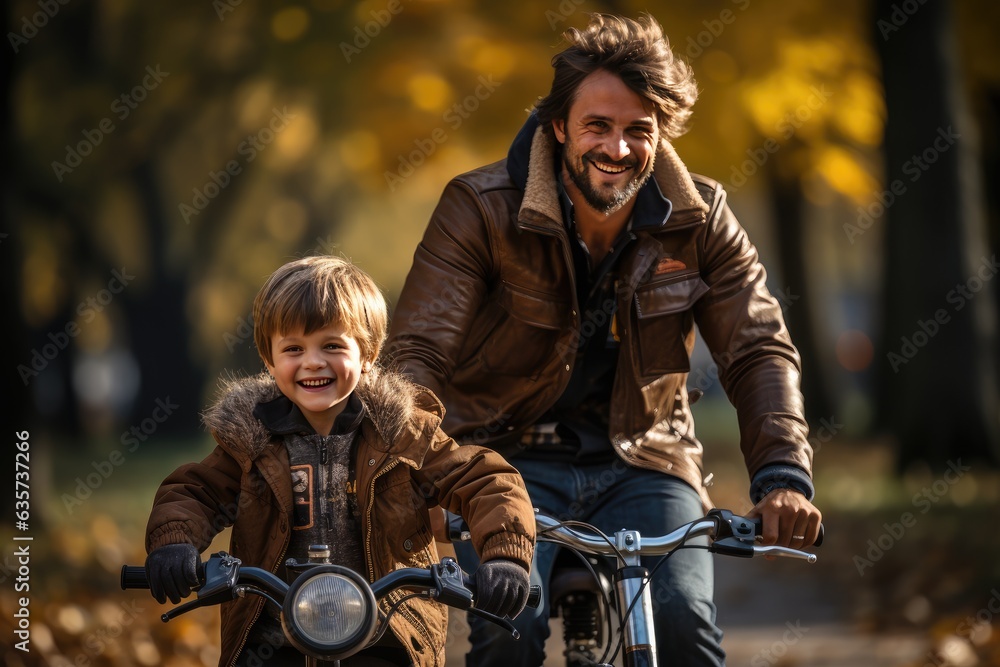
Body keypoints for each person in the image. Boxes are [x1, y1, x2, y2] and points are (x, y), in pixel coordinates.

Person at [384, 13, 822, 666]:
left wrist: (784, 475)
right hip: (502, 460)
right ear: (559, 126)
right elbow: (416, 353)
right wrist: (413, 474)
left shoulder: (702, 217)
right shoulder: (479, 208)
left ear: (659, 134)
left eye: (637, 131)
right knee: (509, 620)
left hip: (647, 457)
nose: (617, 149)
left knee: (681, 621)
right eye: (598, 126)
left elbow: (757, 346)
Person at [143, 256, 536, 667]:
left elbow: (484, 479)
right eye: (293, 348)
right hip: (275, 636)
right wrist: (175, 541)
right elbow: (196, 491)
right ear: (269, 359)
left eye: (332, 345)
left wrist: (504, 555)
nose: (313, 361)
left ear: (367, 353)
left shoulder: (402, 433)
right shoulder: (249, 439)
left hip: (386, 633)